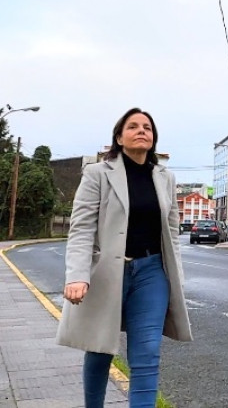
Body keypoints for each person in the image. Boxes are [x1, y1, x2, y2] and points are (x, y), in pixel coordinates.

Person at [57, 108, 192, 408]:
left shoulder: (165, 178)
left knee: (146, 352)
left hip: (151, 273)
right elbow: (81, 229)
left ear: (153, 138)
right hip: (106, 274)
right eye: (133, 126)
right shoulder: (97, 174)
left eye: (147, 127)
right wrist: (77, 275)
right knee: (100, 347)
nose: (142, 130)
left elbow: (171, 233)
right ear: (119, 137)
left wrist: (176, 278)